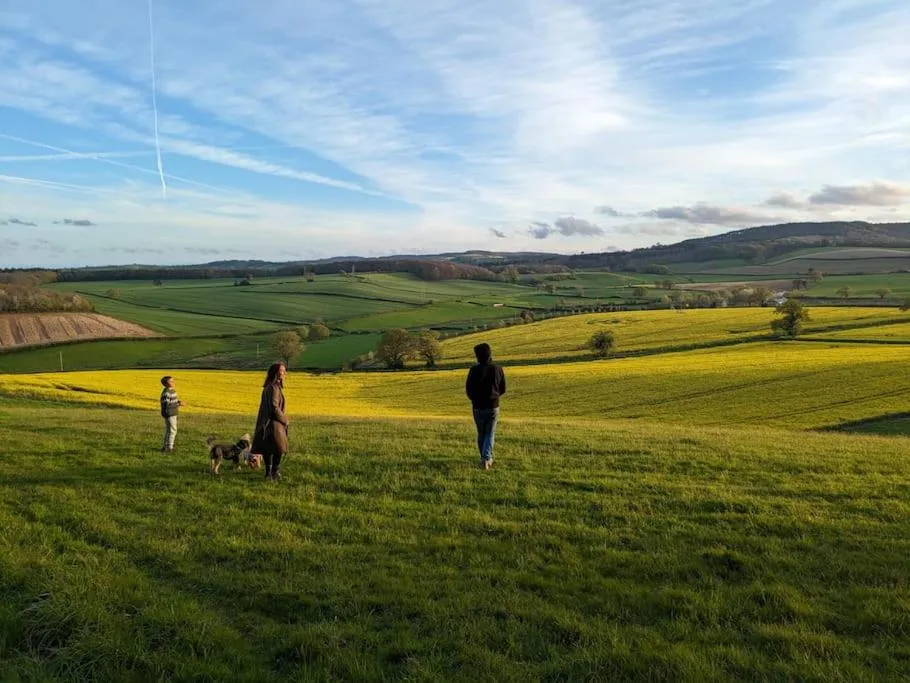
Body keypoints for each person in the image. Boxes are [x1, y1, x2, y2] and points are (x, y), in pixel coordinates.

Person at [465, 343, 506, 470]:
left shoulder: (474, 370)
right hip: (493, 405)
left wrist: (475, 399)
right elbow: (503, 388)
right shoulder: (498, 368)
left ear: (478, 356)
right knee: (490, 432)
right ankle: (486, 458)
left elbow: (469, 389)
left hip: (477, 406)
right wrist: (495, 396)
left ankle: (484, 458)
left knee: (481, 433)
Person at [252, 362, 290, 481]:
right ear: (276, 373)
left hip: (267, 423)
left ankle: (269, 473)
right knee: (279, 448)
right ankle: (274, 472)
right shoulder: (274, 388)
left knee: (268, 449)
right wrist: (284, 420)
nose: (284, 374)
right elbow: (274, 407)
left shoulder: (269, 387)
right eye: (282, 371)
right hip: (274, 423)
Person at [159, 375, 182, 453]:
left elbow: (173, 402)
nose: (173, 382)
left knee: (169, 430)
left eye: (173, 380)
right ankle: (169, 447)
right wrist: (178, 404)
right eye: (171, 381)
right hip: (169, 414)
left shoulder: (172, 390)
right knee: (172, 431)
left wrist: (177, 402)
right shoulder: (166, 393)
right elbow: (166, 405)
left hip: (173, 413)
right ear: (166, 384)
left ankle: (166, 447)